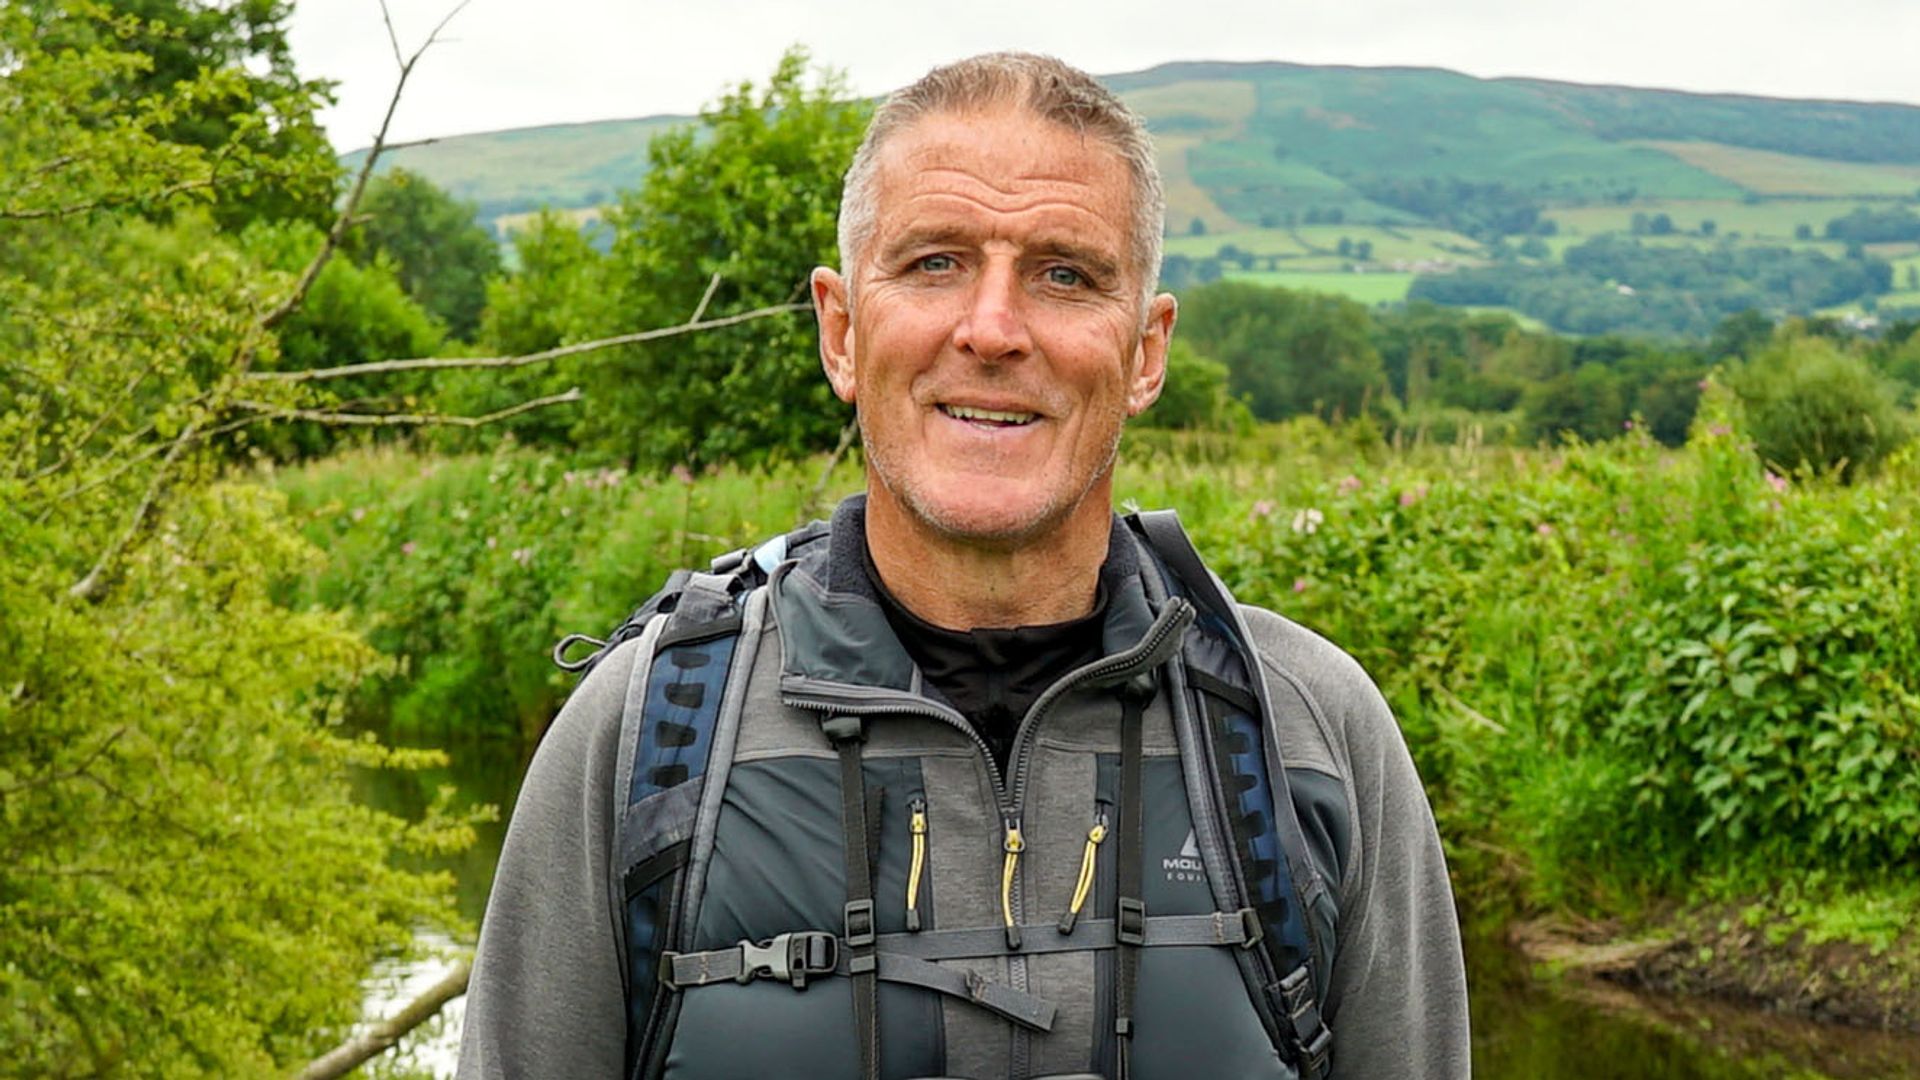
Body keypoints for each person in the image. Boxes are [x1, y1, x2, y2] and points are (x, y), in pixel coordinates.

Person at [458, 52, 1469, 1080]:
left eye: (1064, 273)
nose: (991, 330)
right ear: (843, 331)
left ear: (1147, 351)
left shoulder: (1308, 734)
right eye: (936, 262)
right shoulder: (648, 735)